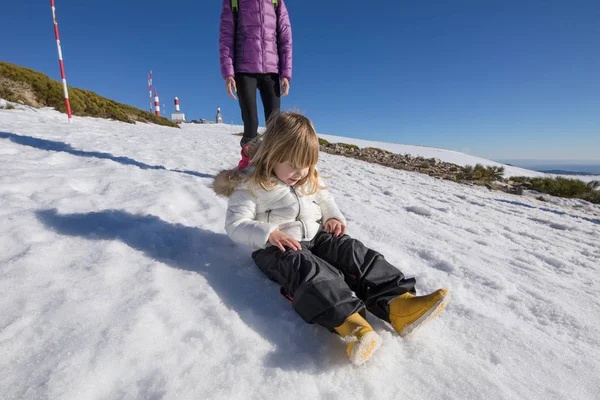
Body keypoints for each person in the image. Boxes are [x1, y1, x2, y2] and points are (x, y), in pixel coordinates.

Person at [212, 113, 449, 365]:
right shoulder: (251, 185)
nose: (300, 172)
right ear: (271, 154)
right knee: (310, 270)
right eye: (292, 164)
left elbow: (325, 199)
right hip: (277, 248)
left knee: (351, 251)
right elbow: (235, 225)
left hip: (316, 235)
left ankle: (398, 304)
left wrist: (332, 217)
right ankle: (353, 327)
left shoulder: (306, 177)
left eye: (307, 165)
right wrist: (268, 233)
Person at [219, 0, 293, 166]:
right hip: (244, 70)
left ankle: (274, 166)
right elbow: (226, 38)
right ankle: (248, 165)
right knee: (251, 121)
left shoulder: (276, 2)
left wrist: (285, 73)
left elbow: (285, 38)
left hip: (271, 71)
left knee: (274, 123)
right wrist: (228, 73)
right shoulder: (233, 2)